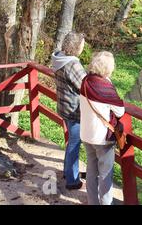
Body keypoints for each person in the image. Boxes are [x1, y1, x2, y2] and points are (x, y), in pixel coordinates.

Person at [80, 51, 125, 205]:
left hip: (87, 134)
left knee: (92, 171)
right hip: (102, 138)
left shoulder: (85, 80)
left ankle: (93, 202)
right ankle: (106, 203)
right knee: (106, 175)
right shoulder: (104, 85)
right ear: (107, 68)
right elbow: (120, 111)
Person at [51, 32, 86, 190]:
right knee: (74, 143)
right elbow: (86, 86)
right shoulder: (72, 64)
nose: (83, 46)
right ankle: (72, 180)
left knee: (72, 141)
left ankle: (67, 171)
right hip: (74, 111)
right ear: (76, 46)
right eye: (82, 44)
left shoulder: (59, 57)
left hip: (64, 106)